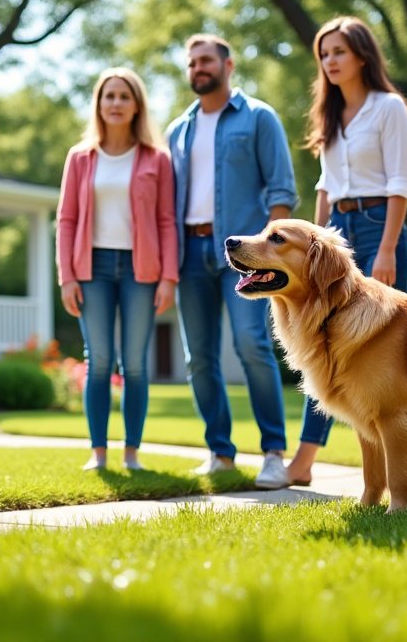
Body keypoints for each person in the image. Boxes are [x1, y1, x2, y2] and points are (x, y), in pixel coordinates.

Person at [285, 16, 407, 486]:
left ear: (362, 55)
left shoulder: (389, 108)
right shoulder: (330, 114)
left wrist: (387, 250)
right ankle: (304, 460)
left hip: (380, 223)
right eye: (324, 54)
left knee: (383, 359)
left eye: (338, 51)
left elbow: (401, 182)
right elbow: (325, 184)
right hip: (336, 232)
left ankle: (404, 472)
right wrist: (316, 238)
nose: (330, 61)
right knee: (320, 347)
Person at [166, 34, 299, 489]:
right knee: (198, 358)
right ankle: (220, 453)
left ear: (228, 64)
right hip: (190, 252)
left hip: (245, 256)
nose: (198, 68)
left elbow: (281, 192)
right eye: (192, 62)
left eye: (206, 60)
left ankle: (273, 453)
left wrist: (273, 256)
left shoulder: (258, 117)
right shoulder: (177, 130)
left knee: (251, 346)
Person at [57, 68, 178, 472]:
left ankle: (132, 453)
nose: (115, 103)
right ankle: (98, 453)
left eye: (123, 96)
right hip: (91, 268)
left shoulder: (156, 159)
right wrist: (66, 277)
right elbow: (67, 220)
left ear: (136, 105)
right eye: (108, 96)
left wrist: (168, 277)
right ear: (99, 104)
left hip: (140, 270)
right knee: (100, 360)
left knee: (136, 363)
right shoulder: (80, 158)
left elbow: (166, 220)